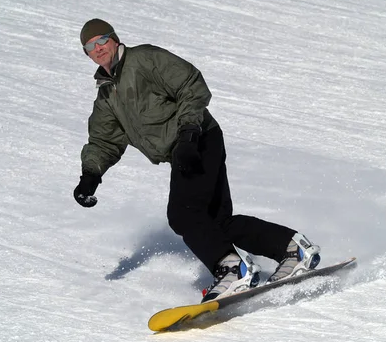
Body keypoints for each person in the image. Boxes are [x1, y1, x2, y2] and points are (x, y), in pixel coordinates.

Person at [74, 18, 321, 302]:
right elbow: (104, 140)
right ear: (87, 53)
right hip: (187, 146)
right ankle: (293, 249)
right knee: (217, 223)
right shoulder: (107, 94)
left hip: (199, 138)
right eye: (90, 46)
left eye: (102, 40)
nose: (98, 48)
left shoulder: (144, 59)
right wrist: (90, 176)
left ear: (114, 39)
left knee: (183, 215)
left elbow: (190, 83)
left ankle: (233, 270)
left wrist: (189, 133)